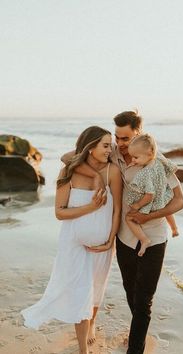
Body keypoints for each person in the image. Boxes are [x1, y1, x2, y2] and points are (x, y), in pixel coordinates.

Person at [61, 111, 183, 354]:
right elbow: (68, 157)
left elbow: (179, 201)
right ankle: (137, 331)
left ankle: (135, 348)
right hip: (124, 237)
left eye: (126, 138)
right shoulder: (114, 154)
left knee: (144, 300)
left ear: (139, 133)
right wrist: (96, 174)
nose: (121, 144)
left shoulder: (157, 162)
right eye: (118, 137)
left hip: (154, 238)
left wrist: (148, 216)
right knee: (131, 292)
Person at [21, 126, 122, 354]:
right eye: (105, 145)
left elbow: (117, 210)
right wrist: (91, 206)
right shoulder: (67, 172)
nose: (110, 149)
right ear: (90, 146)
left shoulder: (112, 172)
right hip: (74, 244)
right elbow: (60, 212)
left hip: (102, 246)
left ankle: (92, 322)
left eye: (111, 145)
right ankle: (82, 350)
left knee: (96, 289)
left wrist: (110, 241)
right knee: (80, 294)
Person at [125, 133, 179, 257]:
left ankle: (144, 240)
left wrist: (137, 205)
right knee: (167, 207)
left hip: (151, 204)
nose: (133, 160)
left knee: (128, 218)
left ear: (149, 153)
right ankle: (174, 228)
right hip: (163, 196)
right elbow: (170, 169)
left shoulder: (145, 173)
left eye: (135, 157)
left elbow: (149, 195)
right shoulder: (159, 162)